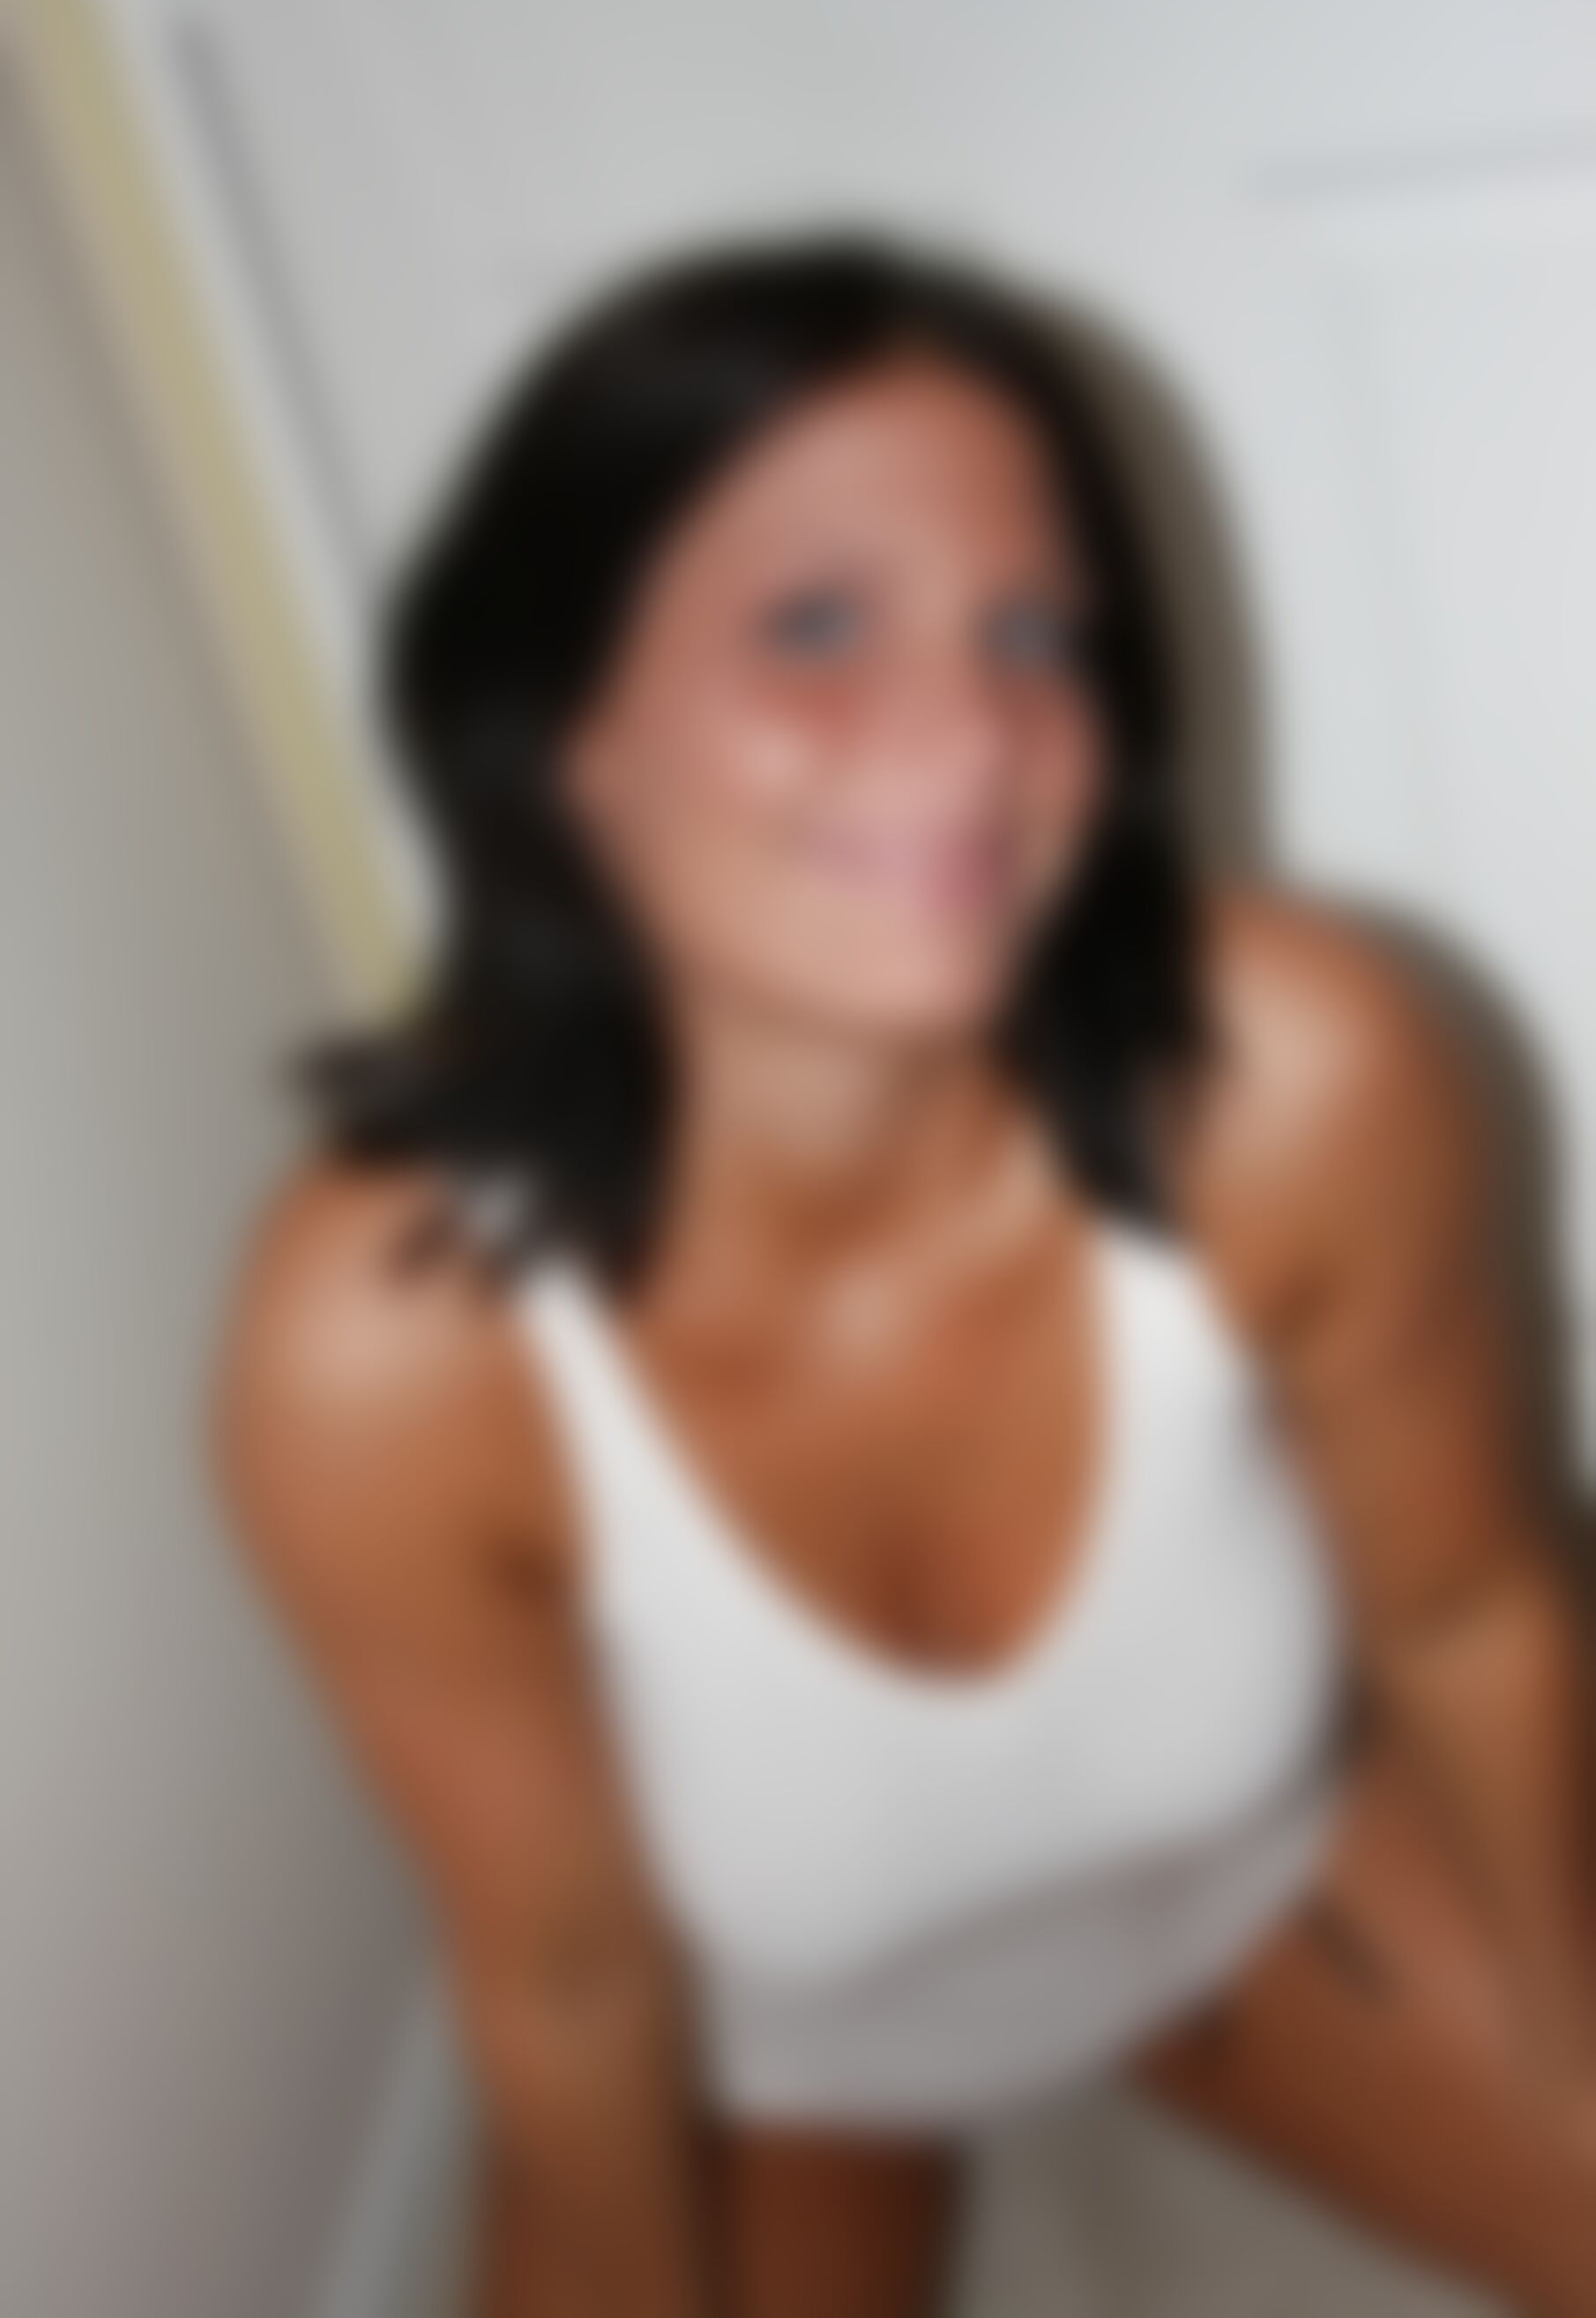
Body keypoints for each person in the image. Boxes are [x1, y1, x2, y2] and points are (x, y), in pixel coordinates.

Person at [213, 230, 1596, 2317]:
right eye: (814, 621)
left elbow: (1466, 1610)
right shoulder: (389, 1339)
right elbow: (570, 1980)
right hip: (771, 2068)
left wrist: (1569, 2054)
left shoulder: (1289, 1066)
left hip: (1253, 1893)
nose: (964, 733)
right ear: (560, 722)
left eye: (1030, 629)